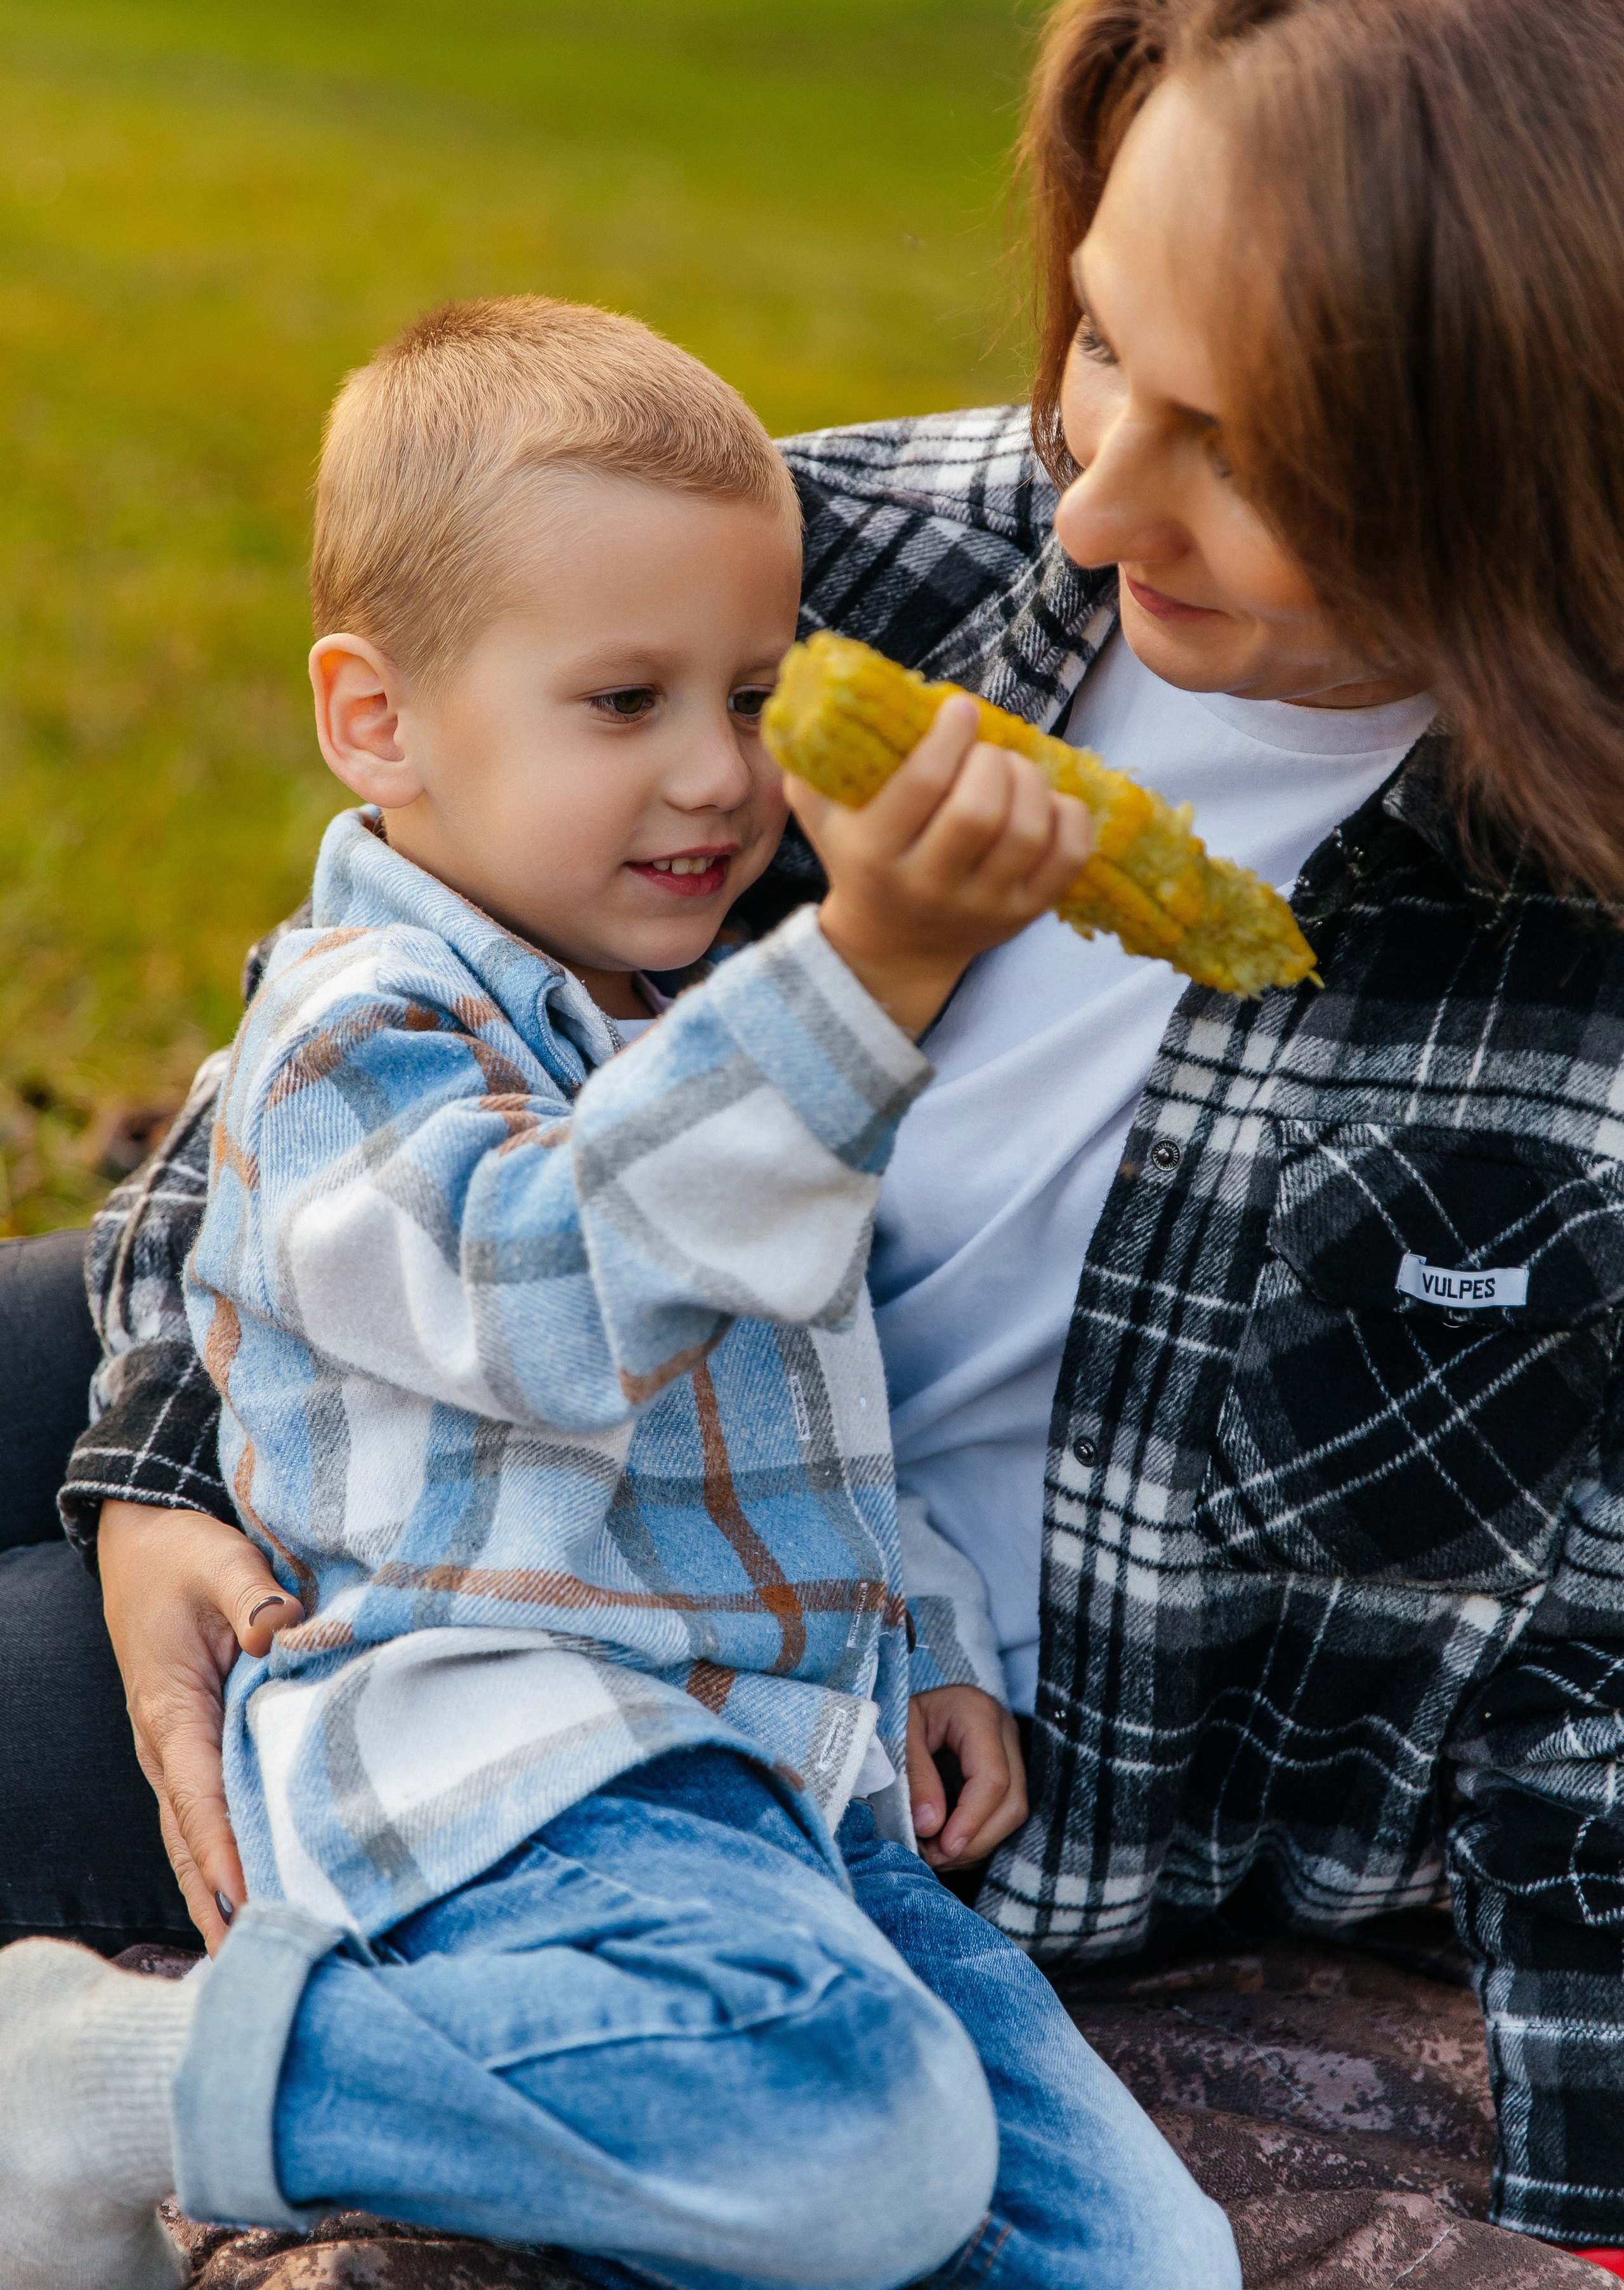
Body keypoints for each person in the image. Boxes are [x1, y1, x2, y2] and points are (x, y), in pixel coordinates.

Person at [13, 0, 1624, 2259]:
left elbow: (1592, 1720)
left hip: (721, 1667)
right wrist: (154, 1451)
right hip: (408, 1359)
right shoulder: (869, 561)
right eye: (1099, 345)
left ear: (1527, 465)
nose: (1094, 501)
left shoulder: (1570, 978)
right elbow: (367, 983)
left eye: (1243, 444)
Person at [0, 296, 1236, 2290]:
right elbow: (564, 1303)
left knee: (1143, 2261)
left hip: (795, 1784)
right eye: (624, 703)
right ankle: (123, 2081)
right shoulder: (359, 1035)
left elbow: (804, 1386)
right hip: (527, 1762)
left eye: (751, 700)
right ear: (376, 721)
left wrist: (920, 1622)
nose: (719, 781)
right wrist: (868, 975)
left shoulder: (671, 1011)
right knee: (857, 2139)